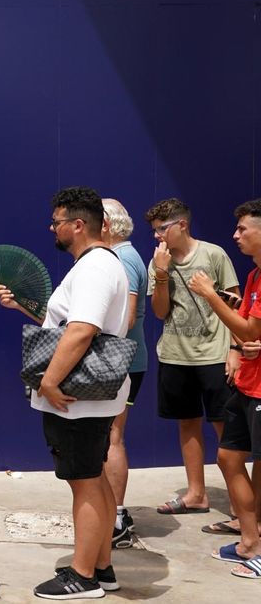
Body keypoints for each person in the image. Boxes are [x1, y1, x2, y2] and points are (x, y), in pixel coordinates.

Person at [0, 187, 130, 598]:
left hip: (77, 397)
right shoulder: (101, 264)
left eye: (56, 221)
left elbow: (82, 329)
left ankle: (83, 575)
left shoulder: (93, 267)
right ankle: (101, 565)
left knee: (85, 482)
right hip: (92, 396)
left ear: (78, 224)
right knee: (95, 479)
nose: (51, 228)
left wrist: (49, 381)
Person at [145, 197, 239, 517]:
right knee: (187, 423)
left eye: (161, 229)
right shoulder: (159, 262)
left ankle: (242, 505)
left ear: (181, 225)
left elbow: (236, 304)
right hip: (175, 354)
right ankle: (196, 493)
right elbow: (160, 312)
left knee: (225, 426)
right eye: (154, 230)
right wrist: (160, 273)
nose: (157, 236)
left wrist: (235, 350)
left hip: (214, 353)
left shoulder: (214, 254)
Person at [186, 199, 261, 577]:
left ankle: (256, 546)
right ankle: (251, 540)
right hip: (248, 385)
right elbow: (246, 326)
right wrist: (236, 348)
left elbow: (251, 329)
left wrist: (210, 295)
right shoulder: (252, 277)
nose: (235, 236)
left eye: (243, 229)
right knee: (230, 458)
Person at [101, 199, 149, 548]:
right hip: (122, 360)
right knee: (108, 437)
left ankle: (116, 516)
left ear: (106, 225)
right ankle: (111, 512)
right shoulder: (122, 256)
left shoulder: (122, 259)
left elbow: (127, 318)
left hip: (122, 362)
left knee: (112, 438)